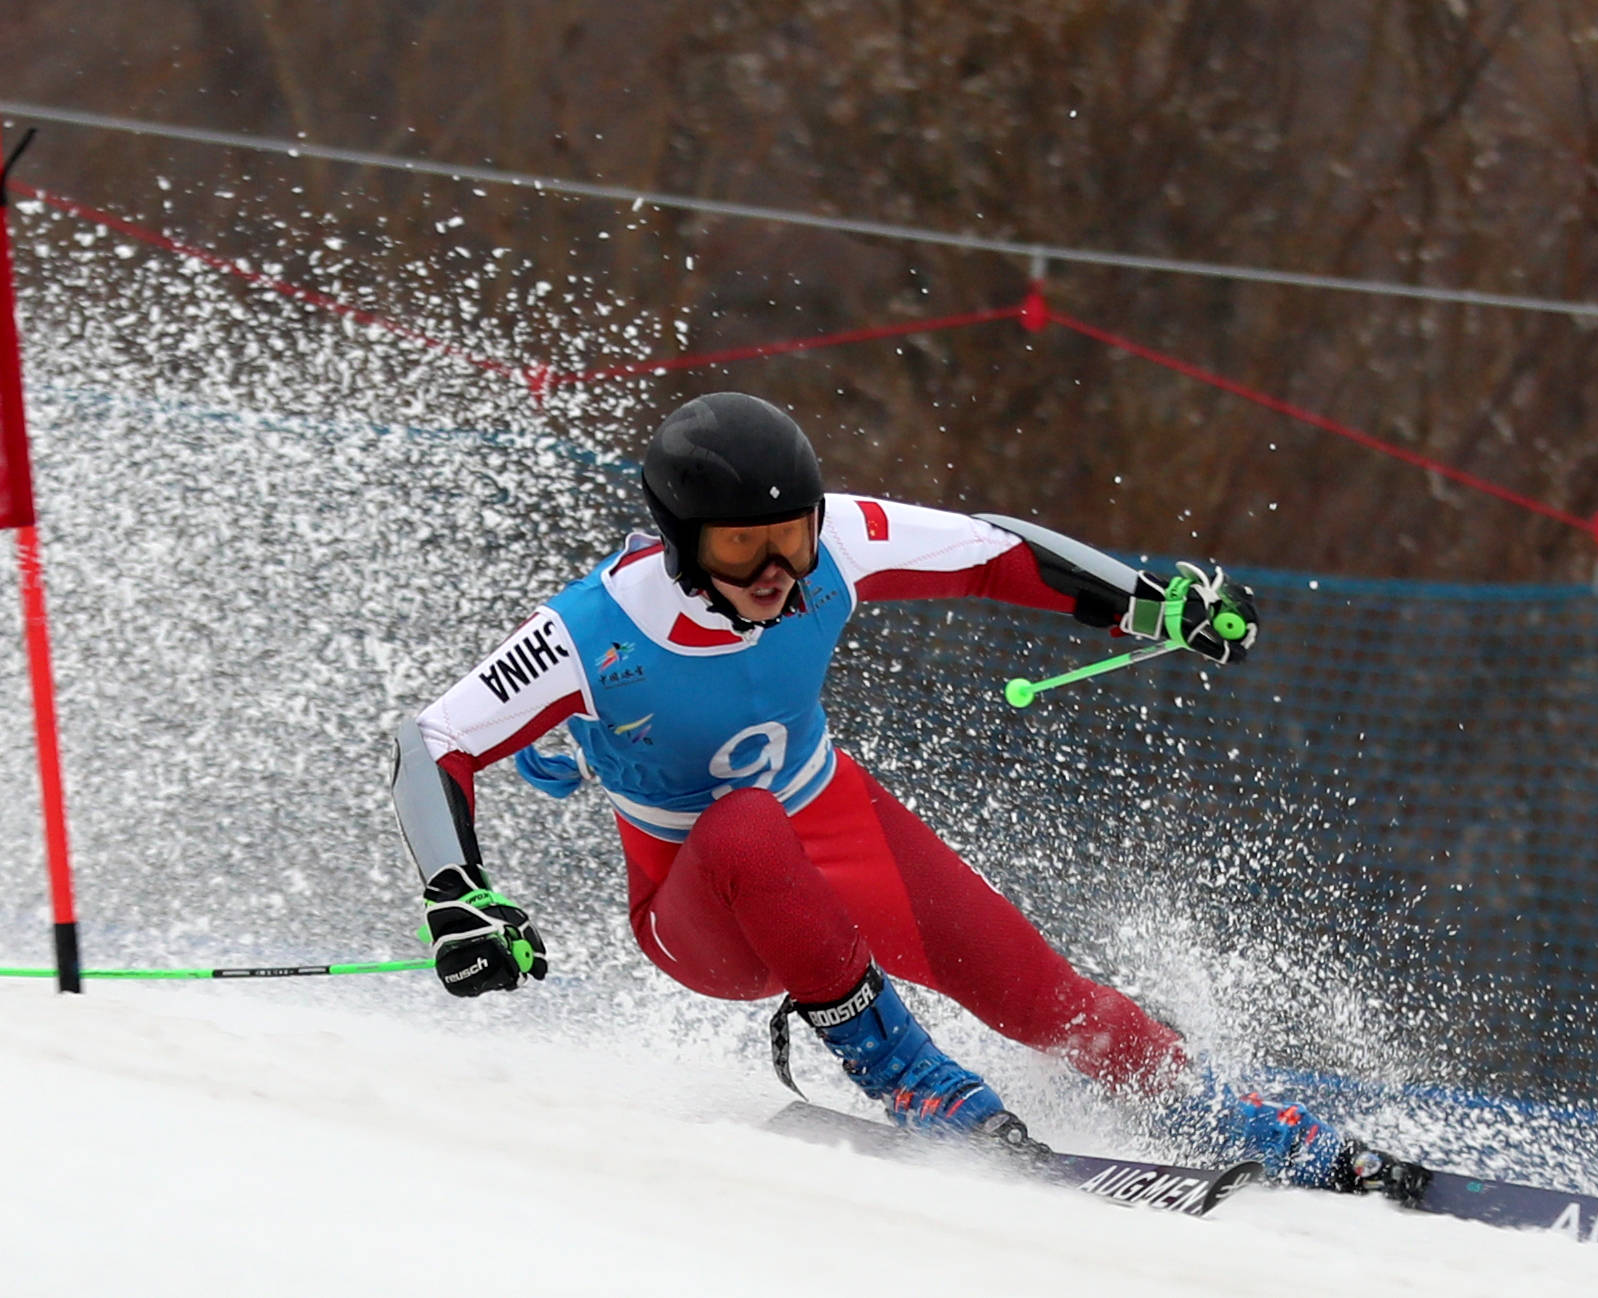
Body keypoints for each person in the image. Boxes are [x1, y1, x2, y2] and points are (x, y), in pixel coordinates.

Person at [388, 392, 1427, 1198]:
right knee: (743, 820)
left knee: (1045, 998)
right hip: (695, 899)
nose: (775, 568)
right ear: (680, 541)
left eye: (789, 536)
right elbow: (430, 739)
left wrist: (1155, 605)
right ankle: (906, 1071)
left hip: (830, 818)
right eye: (742, 546)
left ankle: (1212, 1108)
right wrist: (456, 891)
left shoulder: (835, 541)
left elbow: (996, 550)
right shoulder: (592, 626)